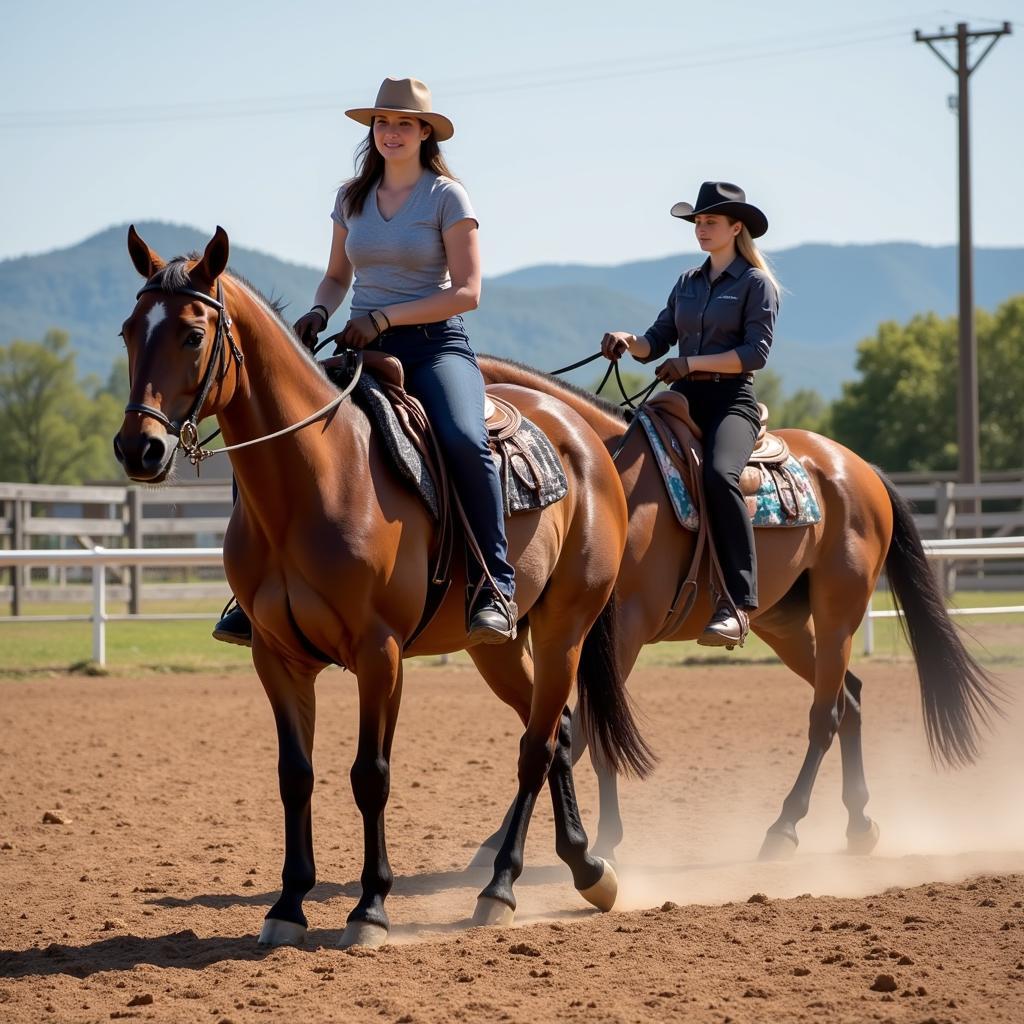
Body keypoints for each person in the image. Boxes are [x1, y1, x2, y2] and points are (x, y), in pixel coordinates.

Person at [214, 77, 517, 646]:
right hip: (360, 347)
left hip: (433, 346)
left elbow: (469, 291)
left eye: (403, 123)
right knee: (271, 431)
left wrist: (383, 319)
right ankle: (250, 589)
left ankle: (493, 585)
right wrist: (316, 313)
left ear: (425, 132)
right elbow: (336, 276)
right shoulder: (351, 198)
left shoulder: (448, 197)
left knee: (464, 440)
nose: (390, 133)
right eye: (382, 123)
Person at [600, 181, 780, 647]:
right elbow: (655, 340)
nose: (701, 229)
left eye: (710, 222)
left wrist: (692, 363)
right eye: (697, 222)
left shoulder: (756, 284)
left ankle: (738, 602)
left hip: (730, 400)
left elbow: (753, 354)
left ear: (735, 227)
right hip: (680, 398)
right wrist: (626, 340)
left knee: (721, 474)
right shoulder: (687, 283)